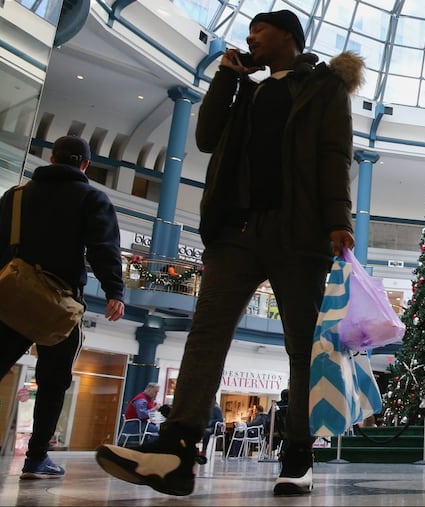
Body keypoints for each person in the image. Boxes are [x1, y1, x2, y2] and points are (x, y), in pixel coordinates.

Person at [95, 8, 363, 497]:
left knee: (301, 347)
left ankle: (299, 455)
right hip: (235, 231)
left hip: (298, 234)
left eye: (258, 30)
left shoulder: (324, 87)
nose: (250, 37)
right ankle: (176, 450)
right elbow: (206, 136)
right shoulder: (248, 87)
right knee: (206, 332)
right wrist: (226, 77)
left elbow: (334, 155)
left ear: (288, 36)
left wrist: (338, 223)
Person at [0, 135, 125, 479]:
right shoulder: (92, 197)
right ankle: (36, 458)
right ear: (85, 164)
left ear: (52, 159)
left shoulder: (16, 195)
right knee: (54, 382)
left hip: (10, 296)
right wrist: (115, 290)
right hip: (58, 304)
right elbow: (103, 247)